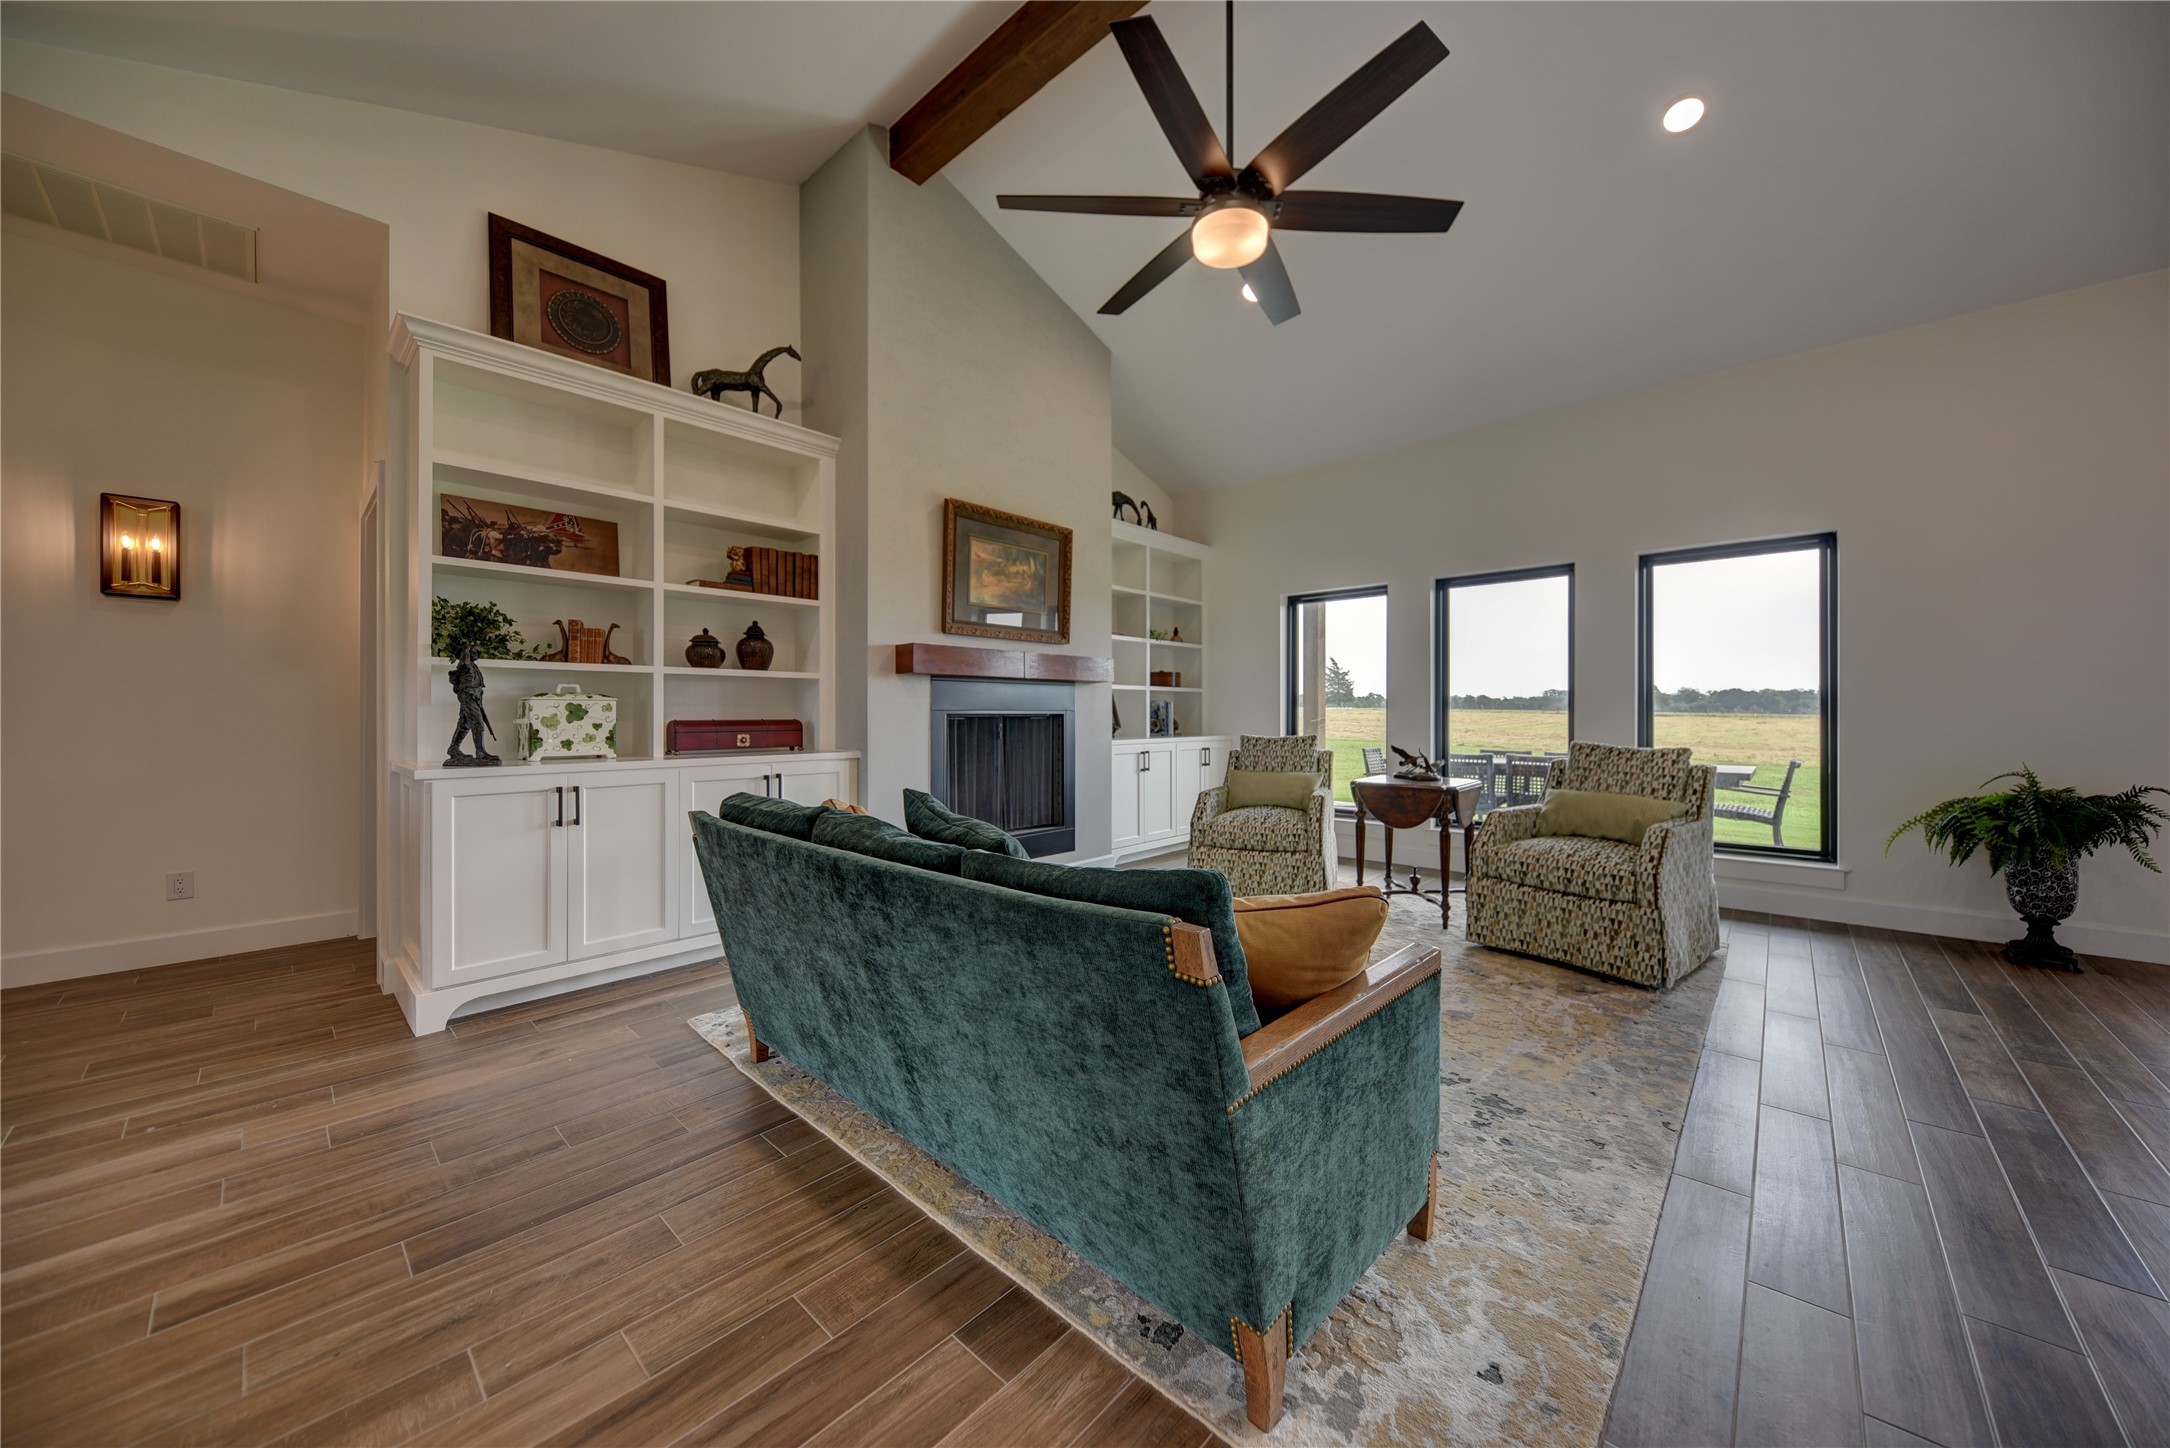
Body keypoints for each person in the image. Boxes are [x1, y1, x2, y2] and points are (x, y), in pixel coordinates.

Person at [445, 644, 500, 765]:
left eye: (476, 652)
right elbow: (464, 661)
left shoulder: (473, 666)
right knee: (478, 723)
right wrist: (466, 648)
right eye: (472, 652)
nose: (475, 654)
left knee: (464, 723)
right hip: (468, 696)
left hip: (474, 697)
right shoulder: (464, 665)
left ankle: (453, 749)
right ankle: (480, 753)